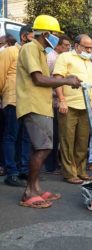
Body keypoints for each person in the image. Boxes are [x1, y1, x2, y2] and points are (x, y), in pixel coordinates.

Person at [16, 15, 81, 208]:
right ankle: (28, 193)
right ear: (45, 33)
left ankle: (35, 188)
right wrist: (67, 80)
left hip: (42, 105)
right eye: (54, 34)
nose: (57, 39)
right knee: (43, 148)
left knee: (41, 147)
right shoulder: (30, 48)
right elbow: (38, 79)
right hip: (33, 104)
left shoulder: (41, 51)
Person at [53, 34, 92, 184]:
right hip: (69, 106)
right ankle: (69, 173)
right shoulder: (65, 57)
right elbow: (57, 79)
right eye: (86, 47)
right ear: (77, 45)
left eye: (91, 47)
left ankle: (80, 170)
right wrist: (62, 100)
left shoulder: (89, 62)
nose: (89, 50)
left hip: (86, 107)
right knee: (67, 141)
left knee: (83, 141)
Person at [0, 25, 33, 187]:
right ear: (24, 37)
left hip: (29, 101)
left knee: (26, 137)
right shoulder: (10, 51)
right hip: (13, 99)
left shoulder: (32, 54)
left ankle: (23, 170)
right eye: (33, 38)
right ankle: (11, 172)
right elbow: (0, 75)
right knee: (11, 136)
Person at [45, 35, 71, 173]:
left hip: (59, 100)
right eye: (65, 45)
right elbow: (48, 78)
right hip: (52, 100)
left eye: (68, 45)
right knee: (53, 134)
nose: (68, 48)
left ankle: (55, 162)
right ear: (57, 45)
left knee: (58, 134)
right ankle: (51, 165)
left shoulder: (62, 58)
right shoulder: (51, 57)